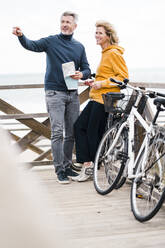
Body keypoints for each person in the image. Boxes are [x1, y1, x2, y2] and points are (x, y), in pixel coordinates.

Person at [12, 11, 91, 184]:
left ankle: (68, 166)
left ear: (74, 26)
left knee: (71, 134)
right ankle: (60, 170)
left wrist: (81, 74)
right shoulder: (51, 41)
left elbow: (87, 69)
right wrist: (21, 36)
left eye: (68, 22)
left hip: (73, 94)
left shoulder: (79, 47)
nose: (64, 24)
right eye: (62, 21)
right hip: (54, 93)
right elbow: (31, 45)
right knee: (57, 133)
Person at [73, 20, 129, 182]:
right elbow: (107, 76)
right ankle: (89, 164)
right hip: (97, 96)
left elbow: (123, 78)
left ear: (108, 36)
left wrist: (101, 83)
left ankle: (90, 166)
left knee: (90, 131)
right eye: (96, 32)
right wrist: (93, 82)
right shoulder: (105, 53)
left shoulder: (113, 53)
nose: (96, 35)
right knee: (81, 127)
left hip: (106, 99)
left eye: (100, 33)